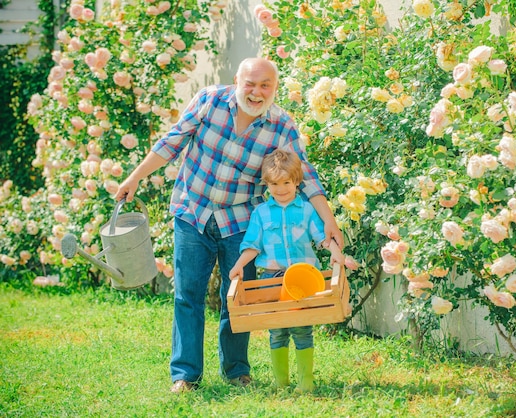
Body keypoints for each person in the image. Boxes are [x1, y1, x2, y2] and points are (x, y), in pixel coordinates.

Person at [114, 57, 344, 394]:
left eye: (265, 85)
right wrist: (135, 178)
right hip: (192, 211)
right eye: (250, 83)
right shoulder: (209, 101)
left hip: (239, 219)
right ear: (237, 80)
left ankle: (236, 370)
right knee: (187, 295)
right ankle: (185, 375)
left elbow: (304, 176)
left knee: (238, 298)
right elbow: (172, 142)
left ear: (275, 88)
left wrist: (329, 220)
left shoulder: (281, 125)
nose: (256, 91)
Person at [229, 149, 344, 392]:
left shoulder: (306, 210)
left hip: (303, 277)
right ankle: (281, 384)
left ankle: (306, 384)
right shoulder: (260, 214)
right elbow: (252, 245)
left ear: (297, 182)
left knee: (303, 329)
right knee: (277, 330)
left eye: (286, 183)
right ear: (266, 184)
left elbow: (321, 236)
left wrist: (334, 250)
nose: (280, 189)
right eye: (274, 184)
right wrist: (239, 265)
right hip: (272, 278)